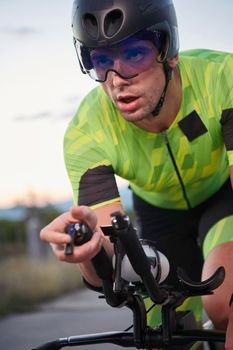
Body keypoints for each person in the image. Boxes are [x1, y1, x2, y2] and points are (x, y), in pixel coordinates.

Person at [40, 0, 233, 348]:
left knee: (223, 305)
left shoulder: (222, 77)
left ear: (169, 51)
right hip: (158, 216)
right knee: (163, 334)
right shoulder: (87, 130)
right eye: (101, 60)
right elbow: (111, 269)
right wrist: (90, 250)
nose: (117, 81)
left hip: (223, 198)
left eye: (134, 55)